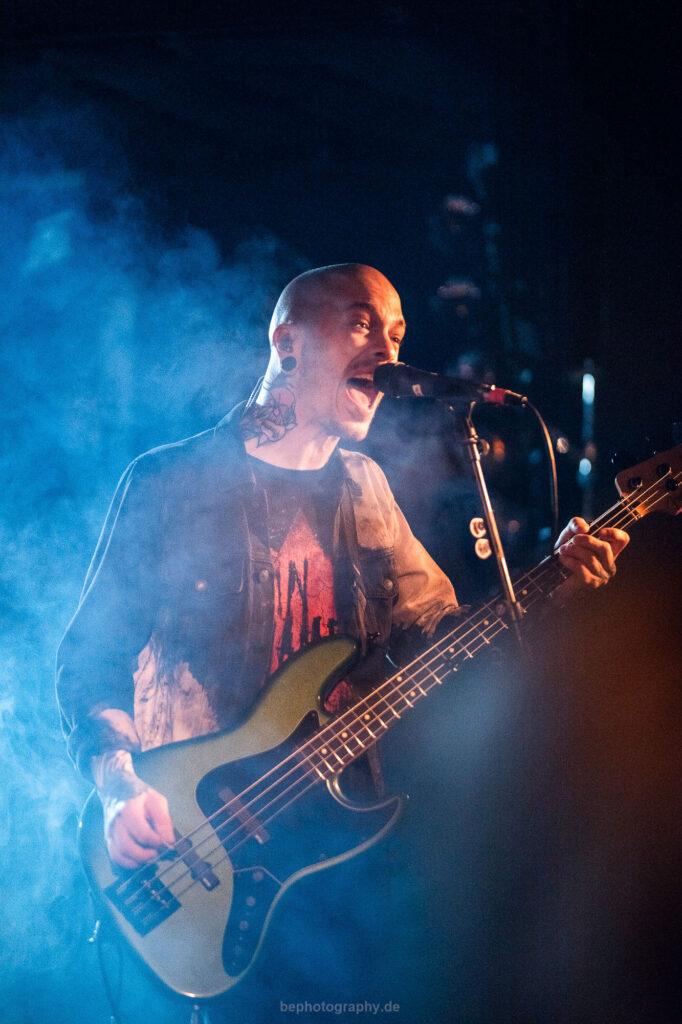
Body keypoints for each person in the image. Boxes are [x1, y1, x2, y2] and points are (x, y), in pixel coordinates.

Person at [56, 264, 628, 1009]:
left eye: (397, 335)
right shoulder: (173, 482)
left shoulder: (366, 490)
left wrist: (554, 586)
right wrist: (118, 786)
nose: (387, 352)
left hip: (339, 871)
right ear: (287, 342)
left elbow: (445, 639)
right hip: (196, 857)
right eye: (361, 323)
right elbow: (90, 659)